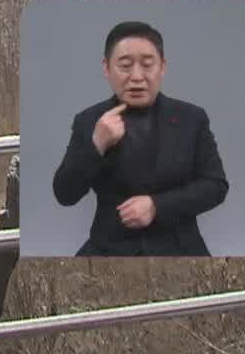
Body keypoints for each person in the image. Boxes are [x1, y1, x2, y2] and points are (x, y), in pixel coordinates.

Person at [52, 20, 229, 256]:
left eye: (147, 65)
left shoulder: (191, 119)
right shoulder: (89, 120)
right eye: (125, 66)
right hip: (110, 249)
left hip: (179, 247)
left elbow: (216, 185)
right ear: (106, 68)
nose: (137, 77)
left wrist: (157, 206)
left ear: (162, 67)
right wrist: (96, 145)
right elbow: (65, 194)